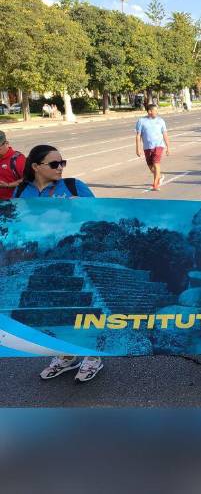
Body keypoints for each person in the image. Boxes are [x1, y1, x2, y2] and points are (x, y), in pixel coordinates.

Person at [13, 144, 102, 382]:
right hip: (44, 260)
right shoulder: (22, 192)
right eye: (54, 164)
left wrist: (81, 208)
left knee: (81, 309)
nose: (60, 168)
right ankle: (66, 356)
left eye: (63, 163)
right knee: (58, 310)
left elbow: (98, 216)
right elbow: (20, 224)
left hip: (76, 256)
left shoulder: (74, 186)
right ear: (35, 167)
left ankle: (92, 358)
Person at [135, 104, 171, 191]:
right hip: (147, 147)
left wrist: (168, 147)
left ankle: (155, 184)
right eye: (155, 110)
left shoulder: (161, 121)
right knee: (151, 166)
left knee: (156, 163)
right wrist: (138, 148)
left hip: (158, 145)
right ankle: (160, 176)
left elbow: (165, 134)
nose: (157, 112)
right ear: (149, 111)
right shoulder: (141, 121)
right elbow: (138, 135)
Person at [0, 130, 25, 200]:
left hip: (12, 203)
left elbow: (28, 179)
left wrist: (8, 185)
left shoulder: (18, 159)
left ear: (6, 144)